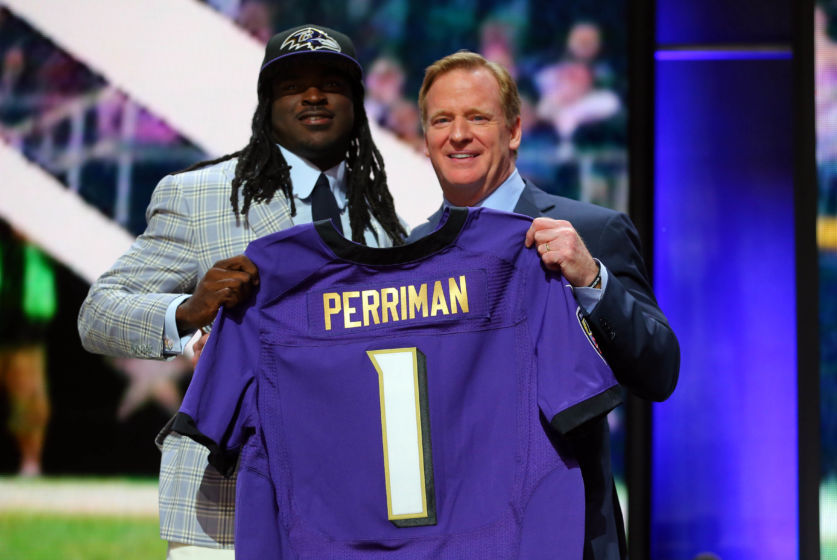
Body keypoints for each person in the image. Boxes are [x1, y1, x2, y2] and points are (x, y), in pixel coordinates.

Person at [78, 24, 406, 559]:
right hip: (224, 507)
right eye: (293, 84)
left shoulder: (385, 219)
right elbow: (97, 315)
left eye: (332, 82)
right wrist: (186, 313)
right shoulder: (199, 195)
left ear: (357, 103)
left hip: (354, 507)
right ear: (267, 104)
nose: (315, 95)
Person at [409, 50, 680, 559]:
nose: (459, 134)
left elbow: (660, 370)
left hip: (566, 535)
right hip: (450, 537)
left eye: (478, 118)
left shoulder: (593, 232)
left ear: (513, 131)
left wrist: (591, 278)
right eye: (442, 120)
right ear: (424, 137)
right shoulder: (411, 254)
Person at [0, 223, 56, 477]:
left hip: (26, 332)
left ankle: (30, 461)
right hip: (6, 322)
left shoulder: (41, 251)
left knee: (29, 399)